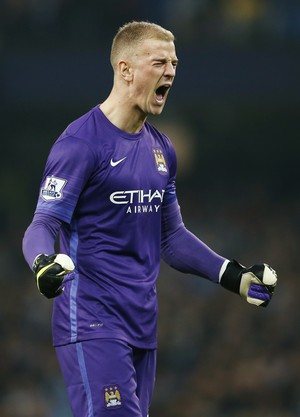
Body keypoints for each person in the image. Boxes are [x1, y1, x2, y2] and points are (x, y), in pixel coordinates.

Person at [22, 21, 277, 417]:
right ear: (125, 69)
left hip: (142, 325)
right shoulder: (80, 144)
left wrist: (235, 276)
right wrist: (42, 263)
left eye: (174, 63)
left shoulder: (162, 149)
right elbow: (43, 223)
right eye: (159, 62)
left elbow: (172, 237)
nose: (171, 71)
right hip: (92, 323)